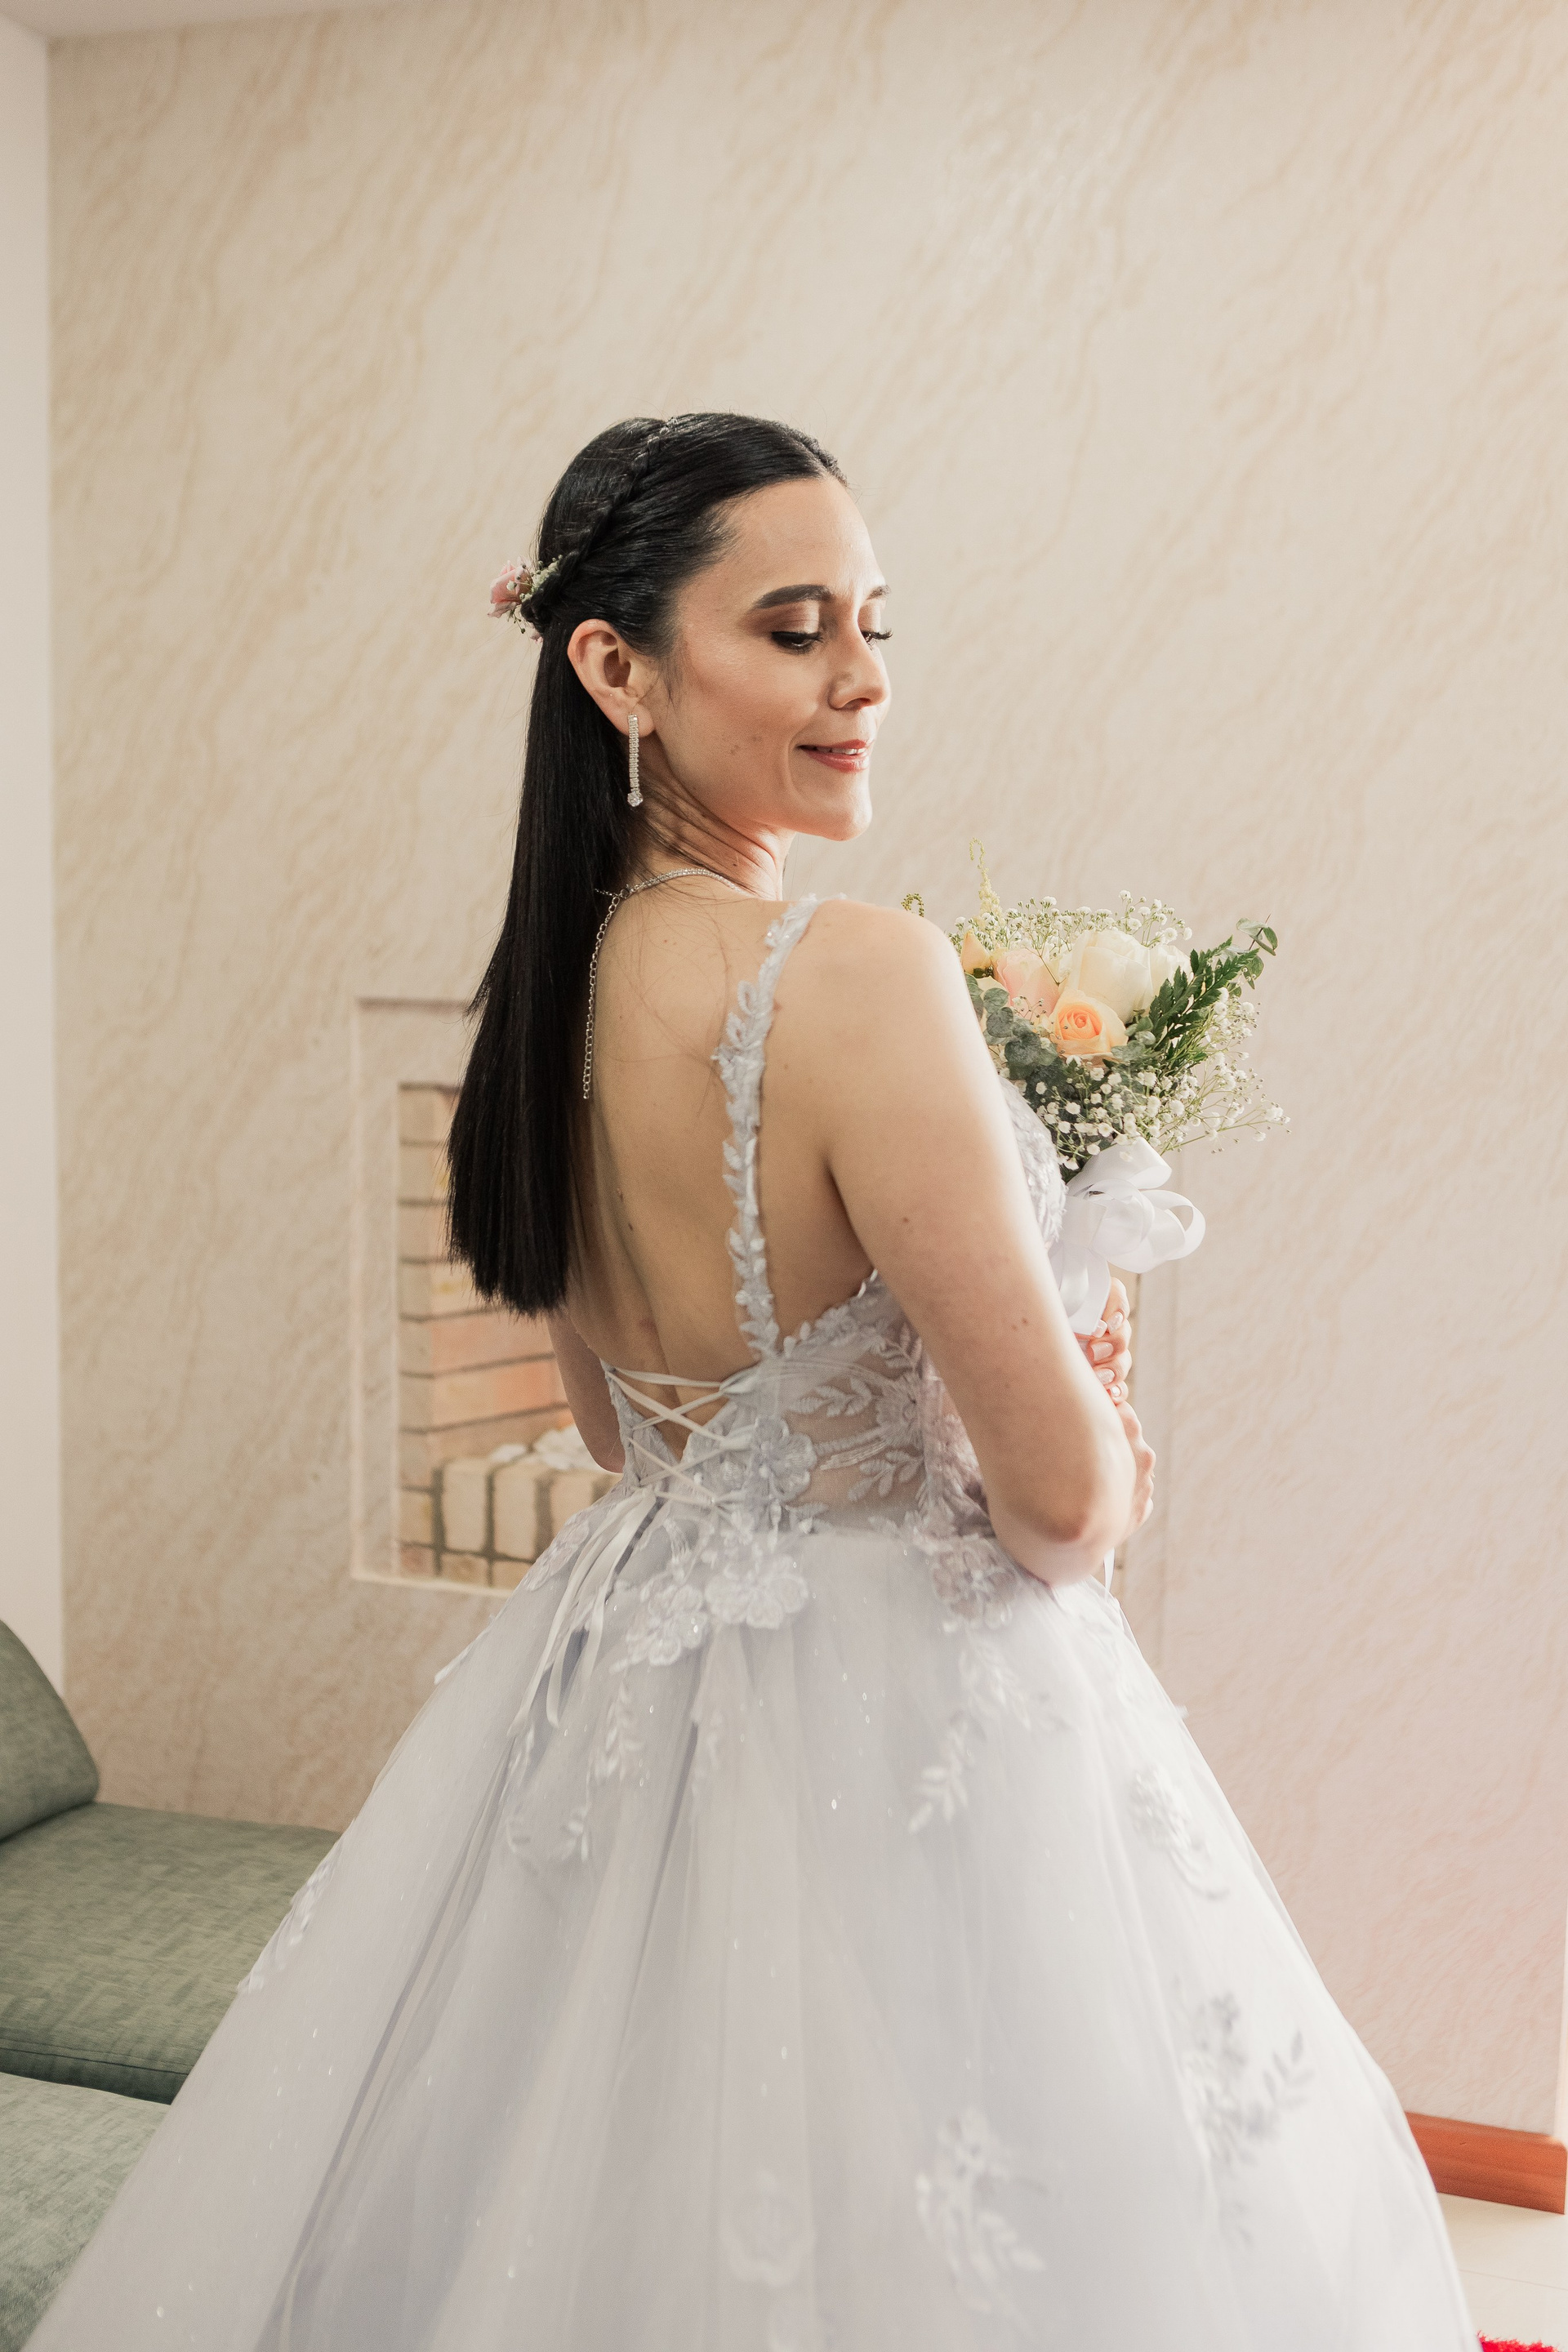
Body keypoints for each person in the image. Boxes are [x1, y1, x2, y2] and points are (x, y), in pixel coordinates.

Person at [33, 412, 1475, 2350]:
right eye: (795, 630)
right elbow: (1061, 1508)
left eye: (875, 624)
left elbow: (619, 1434)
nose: (861, 678)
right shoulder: (855, 975)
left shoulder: (536, 1006)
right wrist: (1091, 1379)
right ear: (614, 668)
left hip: (622, 1668)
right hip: (910, 1691)